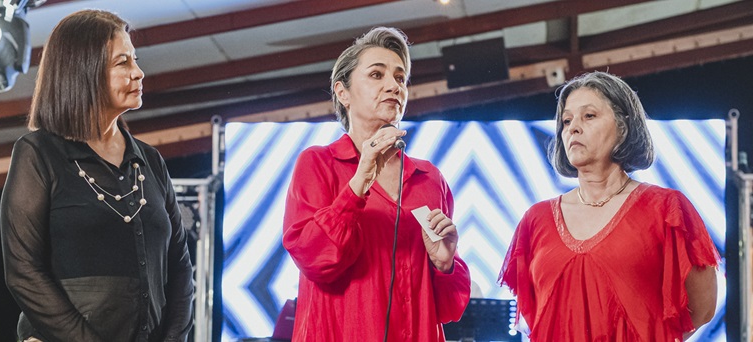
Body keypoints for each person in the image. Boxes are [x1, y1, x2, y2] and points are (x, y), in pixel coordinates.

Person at [0, 10, 194, 342]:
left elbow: (180, 267)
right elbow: (23, 272)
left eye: (135, 60)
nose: (138, 72)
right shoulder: (37, 154)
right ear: (83, 72)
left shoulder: (150, 161)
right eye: (123, 63)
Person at [499, 71, 719, 341]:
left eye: (589, 116)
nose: (573, 128)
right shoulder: (536, 219)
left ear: (623, 127)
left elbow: (702, 308)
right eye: (566, 120)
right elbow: (533, 318)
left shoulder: (667, 209)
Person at [282, 27, 470, 341]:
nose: (393, 86)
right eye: (376, 74)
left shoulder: (429, 178)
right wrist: (357, 185)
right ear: (342, 93)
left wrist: (444, 263)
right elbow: (315, 260)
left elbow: (449, 308)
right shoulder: (318, 164)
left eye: (400, 78)